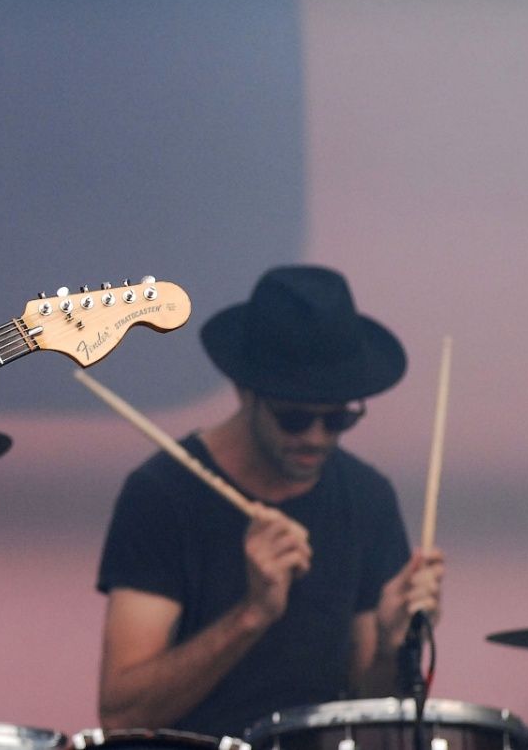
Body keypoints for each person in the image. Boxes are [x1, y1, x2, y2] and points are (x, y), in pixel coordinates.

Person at [95, 265, 445, 738]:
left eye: (339, 418)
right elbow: (122, 715)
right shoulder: (162, 494)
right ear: (245, 392)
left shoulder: (368, 498)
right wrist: (252, 615)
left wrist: (388, 648)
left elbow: (368, 717)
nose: (318, 438)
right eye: (295, 418)